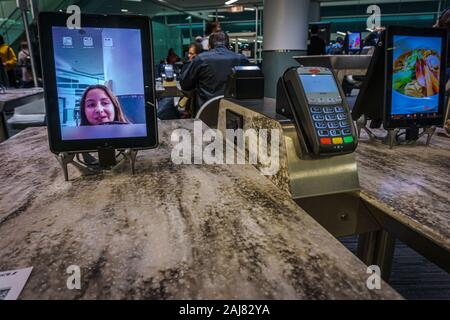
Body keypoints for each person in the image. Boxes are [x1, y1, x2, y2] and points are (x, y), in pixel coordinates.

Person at [180, 31, 249, 113]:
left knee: (198, 125)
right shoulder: (242, 59)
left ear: (209, 45)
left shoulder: (200, 59)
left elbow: (185, 84)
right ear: (227, 44)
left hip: (204, 112)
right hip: (233, 112)